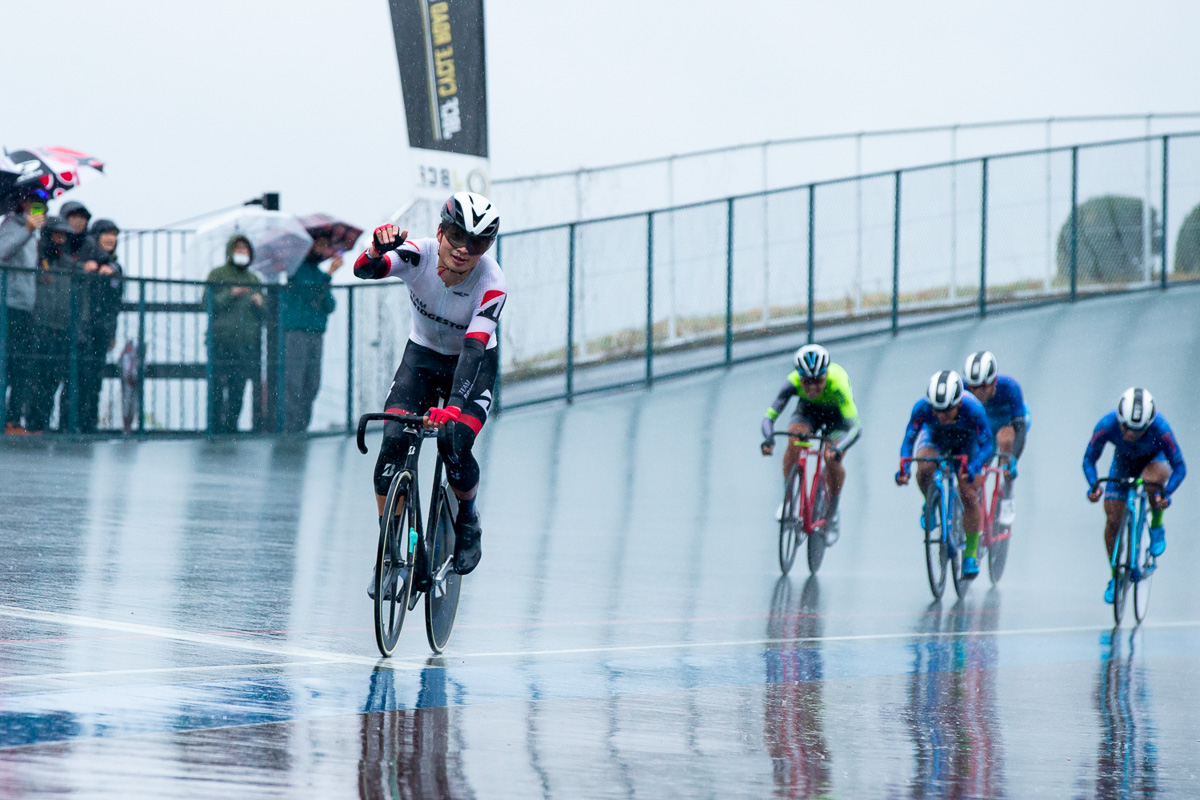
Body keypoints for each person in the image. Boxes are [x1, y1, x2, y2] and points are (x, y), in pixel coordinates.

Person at [353, 191, 505, 581]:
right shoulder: (416, 255)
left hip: (471, 366)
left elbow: (473, 350)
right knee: (392, 443)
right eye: (457, 235)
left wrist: (454, 406)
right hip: (421, 358)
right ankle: (389, 551)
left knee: (452, 441)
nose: (464, 249)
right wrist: (374, 250)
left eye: (478, 242)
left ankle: (468, 521)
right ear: (440, 231)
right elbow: (364, 271)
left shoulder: (492, 282)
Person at [1083, 388, 1186, 604]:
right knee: (1112, 520)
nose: (1130, 434)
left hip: (1155, 461)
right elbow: (1089, 460)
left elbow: (1179, 467)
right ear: (1119, 419)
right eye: (1126, 427)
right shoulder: (1107, 424)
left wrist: (1167, 493)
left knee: (1151, 481)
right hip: (1123, 463)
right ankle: (1115, 576)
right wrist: (1094, 486)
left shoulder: (1161, 428)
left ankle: (1156, 525)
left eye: (1138, 430)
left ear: (1149, 425)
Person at [895, 370, 995, 578]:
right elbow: (909, 441)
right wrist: (904, 468)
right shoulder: (922, 407)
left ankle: (969, 554)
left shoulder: (973, 408)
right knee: (923, 467)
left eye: (946, 410)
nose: (940, 415)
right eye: (936, 410)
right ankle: (930, 502)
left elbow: (987, 445)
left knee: (968, 491)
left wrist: (974, 467)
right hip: (935, 438)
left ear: (959, 404)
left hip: (966, 443)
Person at [760, 343, 861, 530]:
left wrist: (839, 447)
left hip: (837, 417)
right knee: (793, 440)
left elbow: (856, 429)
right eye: (807, 381)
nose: (813, 387)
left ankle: (832, 511)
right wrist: (768, 438)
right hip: (808, 411)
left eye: (818, 381)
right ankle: (789, 501)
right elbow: (769, 418)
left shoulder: (838, 383)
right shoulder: (792, 382)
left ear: (826, 376)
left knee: (831, 459)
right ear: (799, 377)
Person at [280, 236, 342, 433]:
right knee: (294, 383)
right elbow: (307, 293)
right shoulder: (296, 271)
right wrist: (328, 276)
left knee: (311, 383)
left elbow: (329, 304)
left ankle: (301, 426)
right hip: (297, 332)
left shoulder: (317, 273)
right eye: (319, 244)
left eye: (325, 245)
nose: (322, 249)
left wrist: (325, 280)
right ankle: (290, 428)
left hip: (316, 333)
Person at [27, 215, 83, 431]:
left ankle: (44, 423)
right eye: (56, 234)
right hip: (39, 327)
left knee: (53, 379)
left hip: (61, 328)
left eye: (63, 235)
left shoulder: (68, 263)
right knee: (36, 377)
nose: (60, 239)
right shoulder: (36, 258)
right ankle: (34, 422)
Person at [204, 235, 264, 434]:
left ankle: (231, 428)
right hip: (220, 340)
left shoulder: (254, 279)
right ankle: (215, 428)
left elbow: (265, 314)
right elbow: (207, 303)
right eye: (238, 248)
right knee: (216, 388)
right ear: (231, 250)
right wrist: (231, 293)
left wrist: (260, 303)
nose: (242, 252)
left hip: (246, 342)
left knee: (238, 388)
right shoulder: (217, 274)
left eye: (245, 249)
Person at [963, 350, 1030, 524]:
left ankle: (1007, 491)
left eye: (983, 386)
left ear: (994, 381)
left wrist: (1012, 459)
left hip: (1009, 422)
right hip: (986, 424)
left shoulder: (1010, 387)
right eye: (973, 387)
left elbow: (1020, 429)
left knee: (1005, 440)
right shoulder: (961, 389)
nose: (978, 392)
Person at [0, 190, 47, 432]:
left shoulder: (33, 233)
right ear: (22, 202)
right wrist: (27, 229)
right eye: (33, 201)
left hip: (25, 306)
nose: (37, 207)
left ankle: (13, 418)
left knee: (23, 364)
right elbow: (2, 252)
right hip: (9, 305)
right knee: (9, 362)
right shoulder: (12, 224)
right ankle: (7, 419)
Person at [76, 219, 124, 433]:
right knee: (78, 375)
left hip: (102, 329)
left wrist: (112, 332)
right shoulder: (84, 262)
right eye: (106, 233)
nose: (111, 238)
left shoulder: (115, 267)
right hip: (82, 327)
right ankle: (72, 423)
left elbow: (115, 304)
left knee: (96, 377)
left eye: (114, 234)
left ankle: (89, 424)